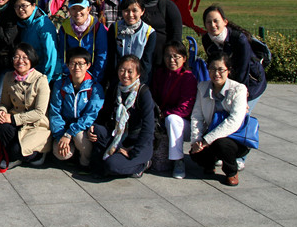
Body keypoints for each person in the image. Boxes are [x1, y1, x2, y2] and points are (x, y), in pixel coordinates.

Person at [87, 54, 155, 178]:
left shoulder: (143, 93)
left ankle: (143, 165)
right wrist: (93, 126)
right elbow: (105, 113)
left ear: (138, 74)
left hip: (137, 143)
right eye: (122, 70)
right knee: (97, 130)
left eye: (130, 71)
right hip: (118, 137)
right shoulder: (115, 88)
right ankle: (109, 159)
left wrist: (134, 151)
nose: (125, 75)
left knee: (112, 165)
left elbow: (148, 127)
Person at [190, 52, 250, 186]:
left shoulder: (239, 89)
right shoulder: (203, 87)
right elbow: (197, 116)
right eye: (212, 69)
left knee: (221, 144)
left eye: (220, 69)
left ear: (228, 70)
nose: (216, 73)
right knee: (196, 153)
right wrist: (196, 140)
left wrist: (207, 140)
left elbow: (234, 121)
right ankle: (209, 163)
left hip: (235, 138)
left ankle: (231, 172)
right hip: (211, 134)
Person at [0, 43, 52, 171]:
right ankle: (14, 155)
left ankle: (37, 154)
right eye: (16, 57)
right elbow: (4, 103)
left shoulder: (41, 80)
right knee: (1, 127)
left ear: (32, 58)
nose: (20, 61)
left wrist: (12, 119)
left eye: (25, 57)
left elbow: (39, 112)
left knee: (17, 150)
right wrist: (1, 112)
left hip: (35, 124)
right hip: (16, 123)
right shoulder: (8, 77)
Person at [49, 47, 105, 172]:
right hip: (64, 126)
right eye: (73, 63)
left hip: (82, 128)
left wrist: (69, 133)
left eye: (81, 64)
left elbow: (90, 115)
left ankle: (85, 163)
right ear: (67, 65)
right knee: (61, 153)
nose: (76, 67)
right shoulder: (60, 85)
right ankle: (72, 157)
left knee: (80, 138)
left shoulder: (95, 88)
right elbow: (55, 112)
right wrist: (60, 136)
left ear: (88, 65)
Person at [201, 5, 267, 109]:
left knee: (240, 114)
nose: (213, 25)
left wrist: (241, 96)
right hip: (229, 83)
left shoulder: (239, 39)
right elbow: (215, 65)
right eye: (209, 22)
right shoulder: (207, 40)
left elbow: (243, 70)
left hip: (250, 82)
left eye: (216, 21)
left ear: (225, 22)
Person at [151, 40, 197, 179]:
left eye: (176, 56)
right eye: (168, 56)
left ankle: (178, 160)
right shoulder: (160, 74)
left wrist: (165, 114)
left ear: (184, 58)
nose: (172, 60)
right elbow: (153, 97)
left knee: (172, 119)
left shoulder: (188, 78)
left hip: (184, 124)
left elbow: (185, 108)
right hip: (162, 119)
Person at [58, 0, 108, 84]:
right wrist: (69, 77)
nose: (77, 12)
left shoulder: (97, 28)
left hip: (93, 77)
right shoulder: (64, 28)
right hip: (71, 76)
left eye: (81, 8)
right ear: (69, 10)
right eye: (74, 9)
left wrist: (95, 80)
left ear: (88, 9)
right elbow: (63, 54)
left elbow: (102, 56)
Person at [106, 0, 156, 85]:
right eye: (126, 10)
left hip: (139, 79)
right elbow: (112, 57)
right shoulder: (115, 28)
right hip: (118, 77)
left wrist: (139, 83)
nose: (130, 14)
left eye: (134, 11)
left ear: (142, 11)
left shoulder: (149, 33)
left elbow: (147, 62)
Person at [138, 0, 183, 68]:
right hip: (140, 59)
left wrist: (172, 56)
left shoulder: (168, 6)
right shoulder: (137, 7)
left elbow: (176, 33)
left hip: (162, 60)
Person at [14, 0, 59, 83]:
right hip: (30, 75)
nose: (20, 9)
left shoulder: (43, 25)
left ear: (33, 5)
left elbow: (51, 56)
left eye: (24, 6)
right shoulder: (23, 23)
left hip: (47, 77)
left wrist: (45, 80)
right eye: (17, 6)